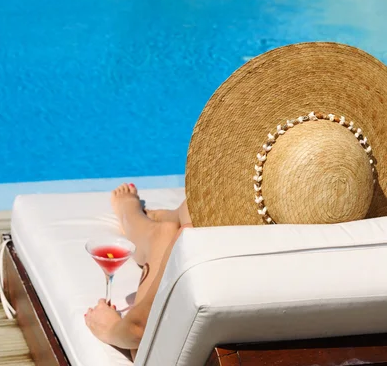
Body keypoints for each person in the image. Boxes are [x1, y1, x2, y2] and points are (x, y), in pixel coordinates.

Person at [83, 42, 387, 361]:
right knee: (180, 224)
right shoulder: (360, 260)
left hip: (175, 254)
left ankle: (137, 217)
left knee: (172, 233)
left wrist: (107, 326)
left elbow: (138, 329)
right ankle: (158, 219)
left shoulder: (200, 251)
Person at [85, 183, 192, 360]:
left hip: (155, 354)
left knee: (165, 233)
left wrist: (110, 328)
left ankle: (134, 215)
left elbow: (138, 330)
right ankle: (168, 216)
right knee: (187, 213)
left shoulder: (190, 241)